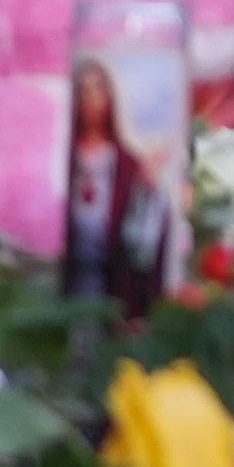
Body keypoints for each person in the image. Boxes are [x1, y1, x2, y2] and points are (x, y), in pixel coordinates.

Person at [65, 57, 173, 316]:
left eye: (98, 89)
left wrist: (146, 190)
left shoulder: (126, 165)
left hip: (112, 287)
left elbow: (144, 239)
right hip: (70, 282)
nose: (90, 98)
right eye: (83, 90)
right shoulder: (63, 160)